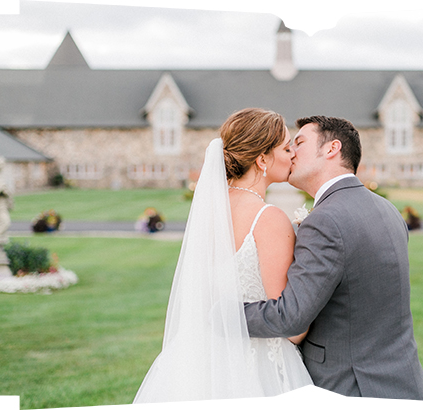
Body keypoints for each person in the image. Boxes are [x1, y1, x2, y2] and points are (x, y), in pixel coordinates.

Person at [134, 108, 312, 402]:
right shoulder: (268, 218)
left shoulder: (209, 211)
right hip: (258, 368)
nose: (293, 153)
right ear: (262, 158)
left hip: (200, 359)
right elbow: (291, 327)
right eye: (285, 146)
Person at [243, 115, 423, 399]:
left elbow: (290, 317)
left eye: (299, 143)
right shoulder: (388, 209)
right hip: (401, 382)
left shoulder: (327, 220)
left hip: (349, 388)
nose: (291, 152)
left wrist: (224, 314)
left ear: (332, 149)